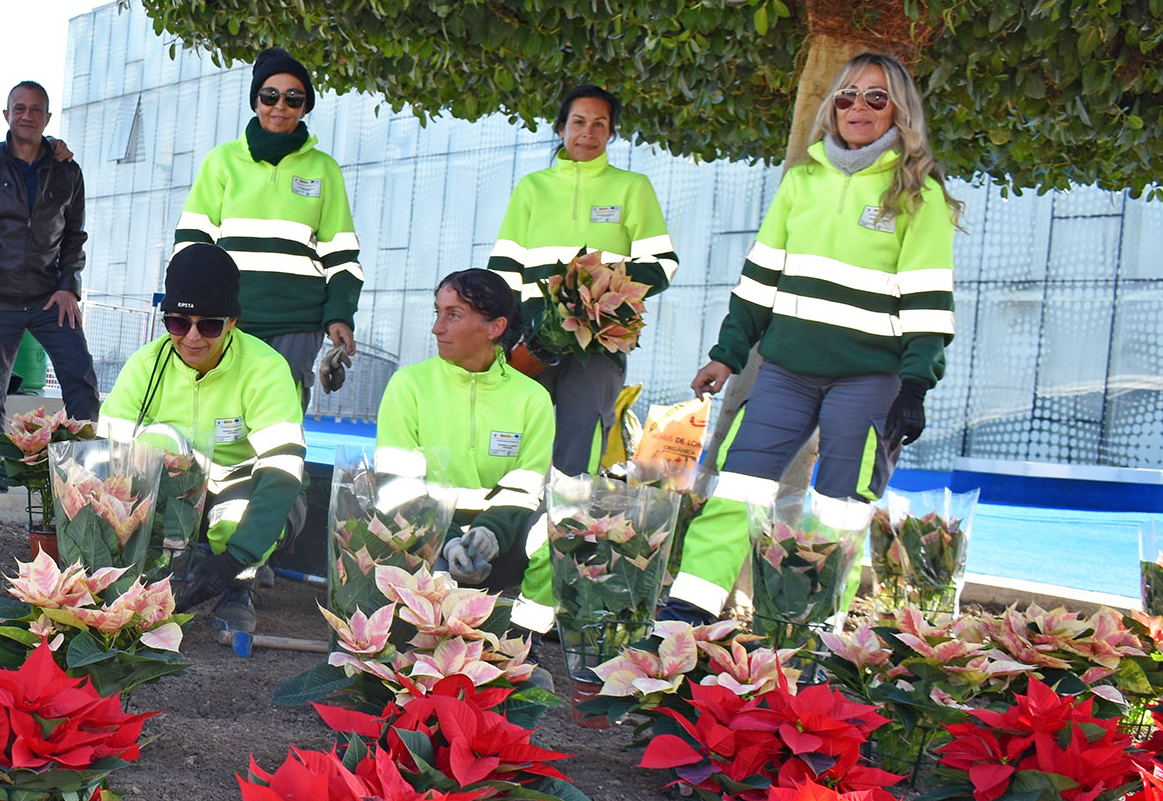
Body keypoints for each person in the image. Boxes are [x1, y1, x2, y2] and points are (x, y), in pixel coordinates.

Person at [661, 52, 958, 623]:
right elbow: (759, 281)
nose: (857, 107)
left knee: (839, 509)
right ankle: (688, 609)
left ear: (899, 109)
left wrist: (915, 386)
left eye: (876, 97)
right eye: (846, 96)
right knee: (738, 487)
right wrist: (726, 355)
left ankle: (817, 628)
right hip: (786, 372)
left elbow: (927, 303)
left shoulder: (919, 195)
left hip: (869, 380)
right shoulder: (801, 181)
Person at [96, 246, 304, 639]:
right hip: (175, 494)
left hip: (244, 490)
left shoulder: (266, 369)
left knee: (234, 519)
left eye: (208, 325)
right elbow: (104, 459)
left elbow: (282, 472)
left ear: (232, 323)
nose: (191, 338)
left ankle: (242, 585)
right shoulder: (143, 366)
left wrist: (235, 560)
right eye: (177, 323)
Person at [488, 83, 676, 475]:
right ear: (561, 128)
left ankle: (570, 515)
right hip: (532, 339)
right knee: (515, 439)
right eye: (578, 122)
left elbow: (662, 264)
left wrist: (599, 290)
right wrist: (505, 335)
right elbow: (504, 269)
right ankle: (508, 511)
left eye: (599, 124)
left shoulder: (632, 187)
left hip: (599, 345)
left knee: (579, 449)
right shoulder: (532, 188)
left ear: (611, 132)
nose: (587, 132)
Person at [174, 47, 361, 408]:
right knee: (218, 410)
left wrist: (340, 315)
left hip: (297, 320)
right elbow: (191, 245)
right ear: (255, 101)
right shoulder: (222, 161)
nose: (280, 106)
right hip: (227, 317)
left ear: (305, 107)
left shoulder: (325, 170)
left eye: (294, 98)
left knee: (280, 413)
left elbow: (342, 257)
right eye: (270, 96)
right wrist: (189, 310)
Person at [373, 269, 556, 633]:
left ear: (495, 327)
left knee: (558, 529)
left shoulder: (533, 398)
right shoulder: (408, 385)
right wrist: (448, 540)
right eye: (437, 312)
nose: (436, 328)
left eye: (453, 315)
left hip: (499, 538)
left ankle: (521, 638)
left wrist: (489, 534)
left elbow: (525, 487)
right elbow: (398, 487)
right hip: (425, 538)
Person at [0, 80, 100, 453]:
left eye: (36, 109)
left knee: (81, 379)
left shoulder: (67, 170)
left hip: (49, 297)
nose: (27, 115)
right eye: (19, 108)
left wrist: (69, 286)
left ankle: (79, 465)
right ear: (6, 114)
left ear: (48, 117)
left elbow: (74, 235)